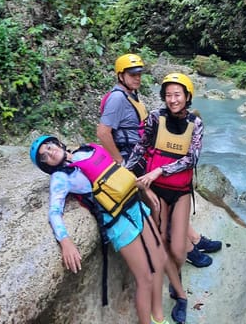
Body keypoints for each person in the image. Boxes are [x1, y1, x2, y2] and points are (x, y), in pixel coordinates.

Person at [97, 54, 222, 267]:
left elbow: (190, 156)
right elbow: (105, 133)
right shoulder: (120, 98)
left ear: (187, 96)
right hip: (134, 158)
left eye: (139, 74)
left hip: (150, 159)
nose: (137, 78)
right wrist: (122, 165)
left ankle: (195, 239)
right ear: (120, 75)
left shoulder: (131, 95)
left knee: (174, 198)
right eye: (132, 74)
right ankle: (189, 248)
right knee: (163, 204)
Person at [30, 134, 170, 324]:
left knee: (159, 258)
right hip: (118, 222)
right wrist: (65, 241)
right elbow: (54, 212)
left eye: (49, 146)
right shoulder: (60, 177)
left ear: (58, 143)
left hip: (136, 206)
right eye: (44, 156)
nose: (50, 151)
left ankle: (158, 315)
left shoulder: (86, 150)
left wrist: (144, 188)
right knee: (144, 278)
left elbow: (117, 174)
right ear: (46, 165)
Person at [125, 72, 203, 324]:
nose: (172, 99)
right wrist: (125, 171)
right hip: (156, 191)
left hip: (179, 191)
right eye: (168, 95)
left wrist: (160, 169)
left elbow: (192, 158)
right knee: (161, 242)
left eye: (177, 95)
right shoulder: (155, 119)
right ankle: (180, 295)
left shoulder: (196, 123)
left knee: (178, 249)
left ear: (187, 96)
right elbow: (141, 146)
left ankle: (174, 279)